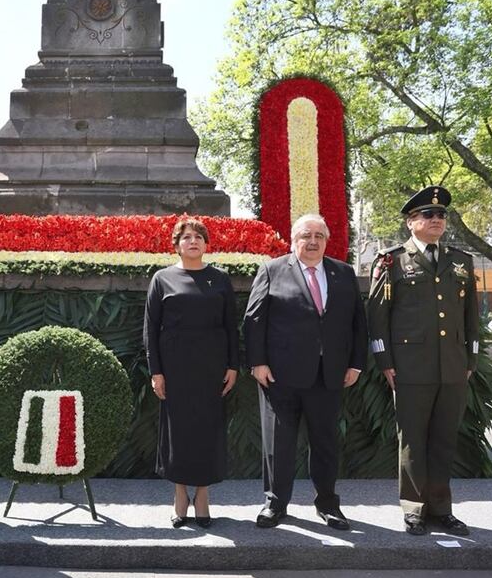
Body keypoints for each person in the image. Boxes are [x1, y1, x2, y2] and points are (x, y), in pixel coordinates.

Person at [366, 186, 479, 536]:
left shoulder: (461, 260)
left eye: (441, 215)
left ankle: (442, 509)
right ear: (410, 222)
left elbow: (471, 315)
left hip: (453, 365)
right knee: (413, 440)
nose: (437, 220)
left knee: (444, 439)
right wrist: (384, 360)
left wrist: (471, 358)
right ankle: (414, 507)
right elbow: (378, 317)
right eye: (428, 215)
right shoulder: (392, 260)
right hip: (410, 366)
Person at [244, 214, 367, 530]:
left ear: (326, 240)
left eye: (318, 236)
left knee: (325, 443)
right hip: (280, 376)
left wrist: (355, 363)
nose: (312, 242)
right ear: (293, 240)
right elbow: (254, 320)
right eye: (305, 236)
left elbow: (358, 322)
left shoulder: (343, 273)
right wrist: (258, 363)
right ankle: (275, 504)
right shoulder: (272, 270)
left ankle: (328, 504)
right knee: (279, 444)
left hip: (329, 374)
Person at [143, 218, 238, 528]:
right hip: (175, 370)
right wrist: (156, 371)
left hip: (212, 369)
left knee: (208, 431)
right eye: (186, 237)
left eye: (198, 236)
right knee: (179, 433)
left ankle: (203, 495)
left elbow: (231, 327)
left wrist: (233, 366)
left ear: (206, 244)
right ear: (177, 244)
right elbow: (150, 329)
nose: (193, 241)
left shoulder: (220, 279)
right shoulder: (162, 279)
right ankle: (181, 494)